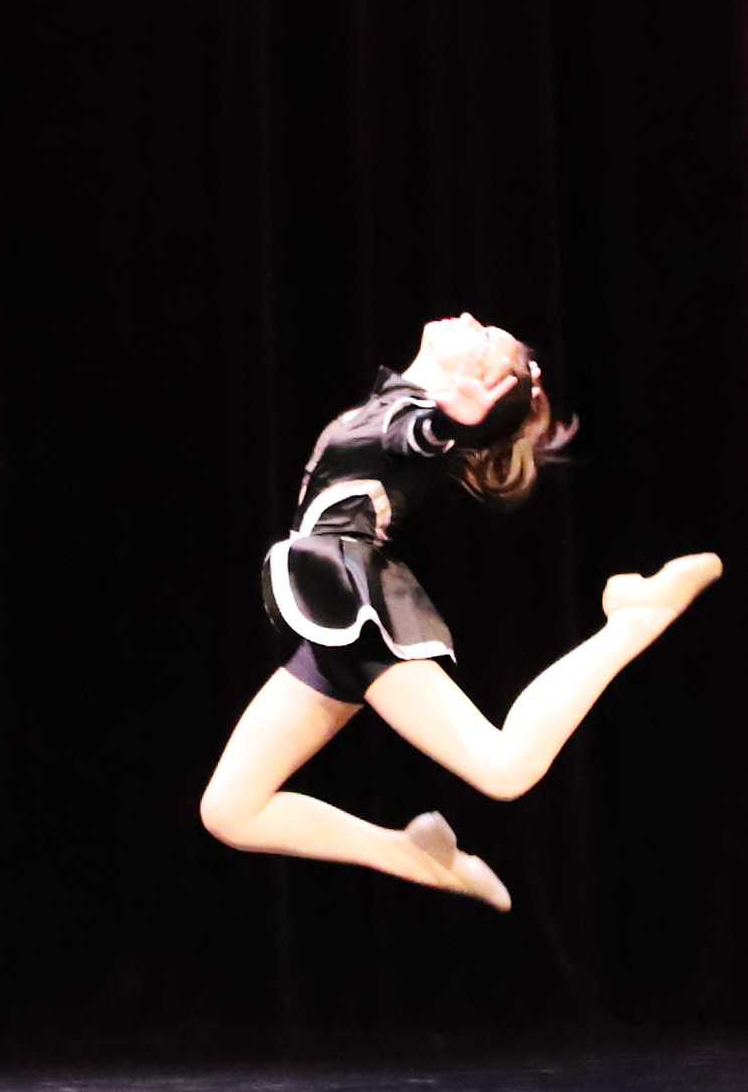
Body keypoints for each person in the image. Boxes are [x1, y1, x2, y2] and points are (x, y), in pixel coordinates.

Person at [192, 316, 719, 911]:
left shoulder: (416, 422)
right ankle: (417, 856)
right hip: (329, 616)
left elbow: (423, 435)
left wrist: (453, 421)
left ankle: (632, 619)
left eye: (487, 336)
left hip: (354, 609)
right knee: (232, 810)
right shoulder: (394, 403)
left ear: (481, 384)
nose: (469, 320)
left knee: (505, 768)